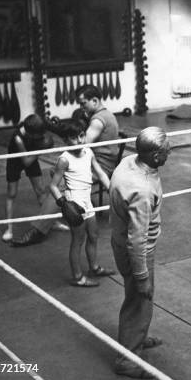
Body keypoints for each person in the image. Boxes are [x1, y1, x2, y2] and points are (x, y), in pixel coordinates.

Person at [11, 85, 120, 246]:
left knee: (61, 182)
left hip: (100, 166)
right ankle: (52, 216)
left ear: (95, 101)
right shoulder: (106, 114)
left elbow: (80, 145)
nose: (81, 107)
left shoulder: (98, 120)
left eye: (83, 103)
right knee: (57, 174)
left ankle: (39, 230)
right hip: (95, 161)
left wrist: (55, 128)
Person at [109, 127, 171, 379]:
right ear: (155, 155)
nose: (169, 153)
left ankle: (135, 338)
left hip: (119, 239)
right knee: (140, 301)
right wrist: (142, 275)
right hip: (137, 252)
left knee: (134, 299)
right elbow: (138, 239)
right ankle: (127, 360)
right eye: (166, 150)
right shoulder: (143, 190)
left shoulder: (128, 162)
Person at [48, 119, 113, 287]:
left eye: (81, 136)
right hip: (74, 202)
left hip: (87, 199)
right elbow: (53, 186)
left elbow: (100, 172)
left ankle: (94, 267)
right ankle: (78, 277)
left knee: (94, 235)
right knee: (78, 239)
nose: (79, 141)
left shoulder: (88, 151)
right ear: (65, 140)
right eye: (73, 138)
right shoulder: (64, 159)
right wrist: (63, 203)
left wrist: (111, 190)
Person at [3, 114, 53, 242]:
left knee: (41, 190)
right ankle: (9, 229)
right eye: (38, 136)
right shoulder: (18, 139)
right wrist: (40, 150)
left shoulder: (34, 127)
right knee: (12, 193)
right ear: (30, 134)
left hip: (31, 154)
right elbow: (26, 161)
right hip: (16, 160)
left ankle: (50, 222)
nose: (41, 137)